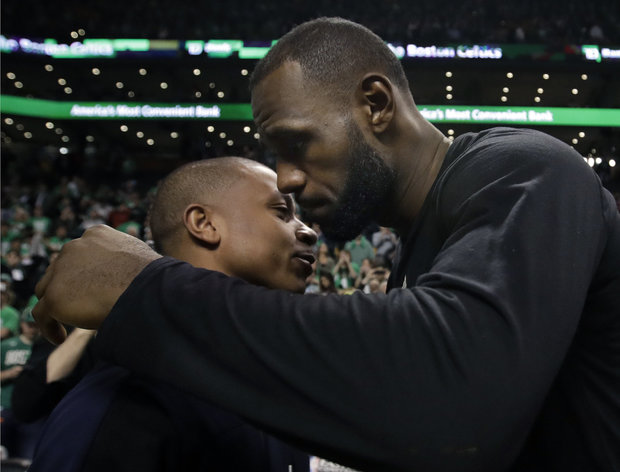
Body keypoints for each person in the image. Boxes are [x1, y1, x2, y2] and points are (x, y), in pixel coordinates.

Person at [33, 17, 619, 472]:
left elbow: (457, 411)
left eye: (296, 144)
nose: (286, 176)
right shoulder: (422, 251)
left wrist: (145, 288)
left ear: (376, 105)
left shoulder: (524, 167)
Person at [29, 157, 313, 472]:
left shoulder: (267, 381)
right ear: (204, 224)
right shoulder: (127, 399)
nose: (308, 231)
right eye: (282, 212)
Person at [1, 307, 40, 459]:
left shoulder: (43, 347)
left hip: (31, 409)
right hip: (6, 404)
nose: (32, 328)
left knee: (27, 458)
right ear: (22, 324)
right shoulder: (5, 346)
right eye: (29, 324)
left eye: (36, 325)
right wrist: (9, 373)